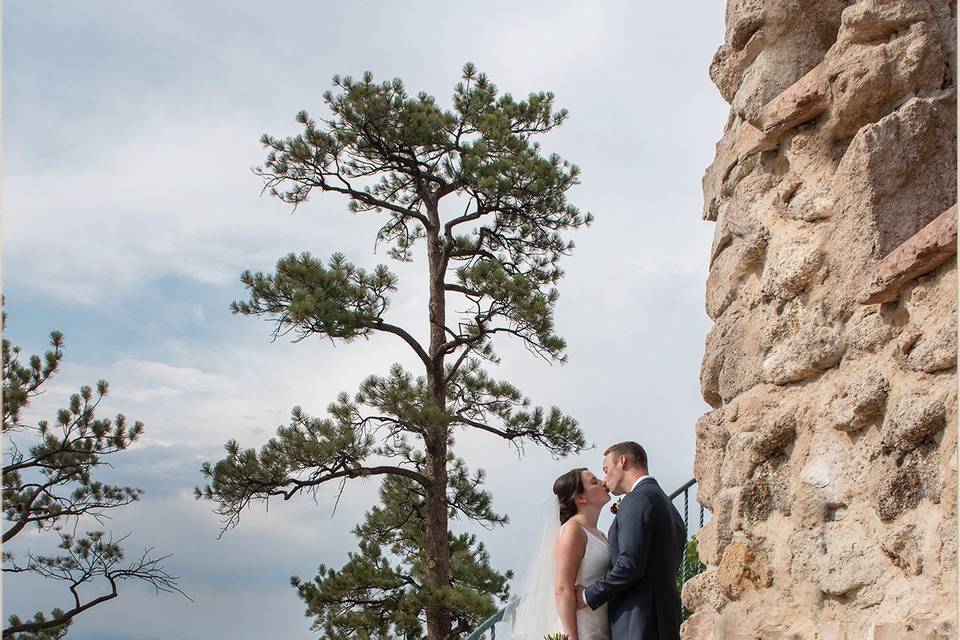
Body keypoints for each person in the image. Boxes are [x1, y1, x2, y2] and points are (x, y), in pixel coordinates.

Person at [576, 442, 687, 640]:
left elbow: (629, 565)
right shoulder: (668, 506)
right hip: (666, 620)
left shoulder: (637, 499)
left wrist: (587, 596)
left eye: (606, 469)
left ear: (623, 461)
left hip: (638, 622)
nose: (604, 479)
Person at [509, 468, 612, 640]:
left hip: (601, 625)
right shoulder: (573, 530)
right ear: (580, 498)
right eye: (594, 482)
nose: (603, 483)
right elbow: (562, 589)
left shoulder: (601, 535)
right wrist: (572, 637)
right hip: (582, 629)